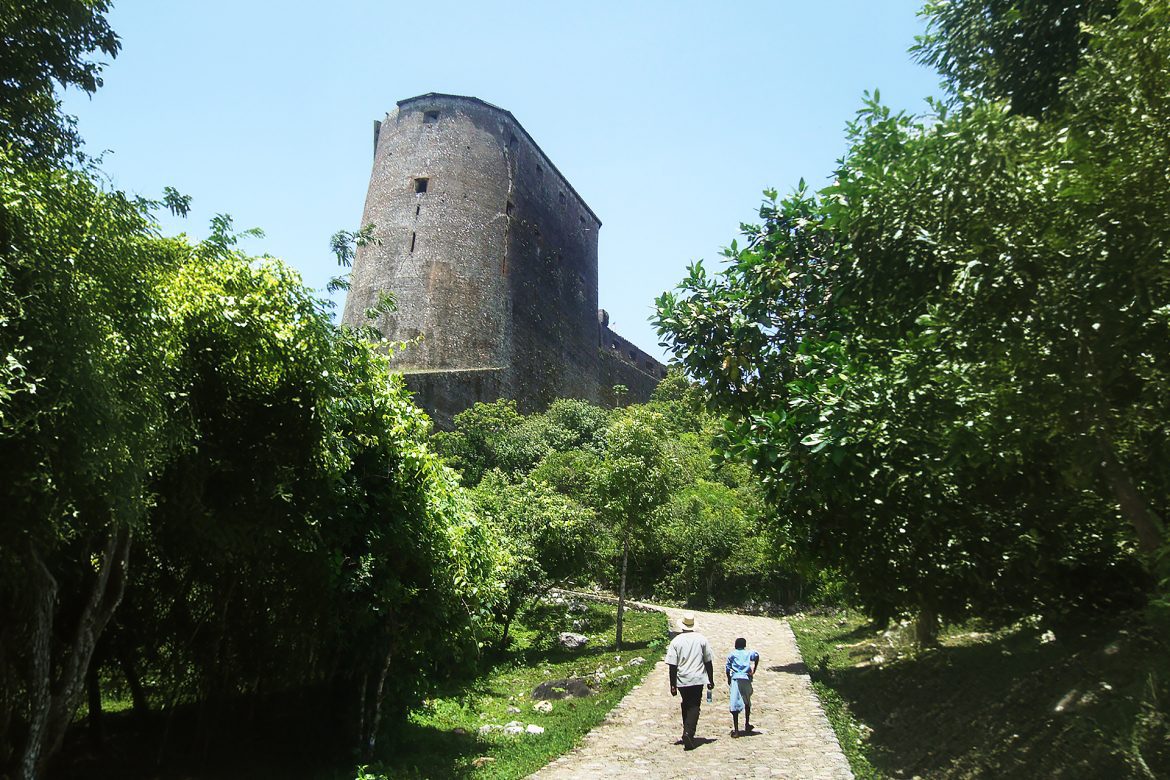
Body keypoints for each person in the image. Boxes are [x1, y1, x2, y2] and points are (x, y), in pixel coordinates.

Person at [665, 611, 714, 750]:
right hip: (698, 678)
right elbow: (708, 661)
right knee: (694, 706)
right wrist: (710, 679)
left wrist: (672, 684)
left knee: (685, 703)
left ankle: (687, 730)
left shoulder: (676, 641)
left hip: (682, 679)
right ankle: (689, 732)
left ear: (682, 626)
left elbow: (672, 665)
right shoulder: (702, 639)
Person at [725, 636, 760, 737]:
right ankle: (747, 723)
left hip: (736, 679)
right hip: (746, 678)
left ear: (735, 645)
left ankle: (736, 730)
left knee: (734, 702)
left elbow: (727, 668)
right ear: (744, 645)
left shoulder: (732, 654)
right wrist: (754, 669)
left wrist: (728, 678)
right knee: (747, 700)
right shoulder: (748, 653)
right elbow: (757, 656)